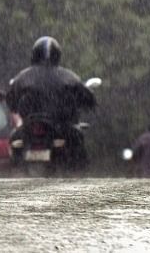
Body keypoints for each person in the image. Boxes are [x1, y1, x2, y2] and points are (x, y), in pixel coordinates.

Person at [6, 36, 96, 170]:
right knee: (78, 139)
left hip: (31, 126)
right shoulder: (68, 76)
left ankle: (15, 167)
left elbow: (11, 101)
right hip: (61, 125)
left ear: (34, 54)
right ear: (57, 55)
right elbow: (88, 99)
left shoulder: (22, 77)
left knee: (15, 139)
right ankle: (78, 172)